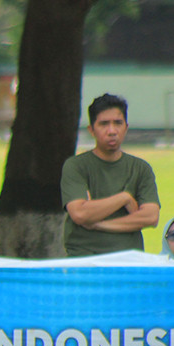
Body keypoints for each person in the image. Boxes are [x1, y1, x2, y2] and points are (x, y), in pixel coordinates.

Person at [61, 93, 161, 257]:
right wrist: (124, 198)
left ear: (126, 127)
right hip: (84, 257)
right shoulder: (76, 166)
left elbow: (150, 216)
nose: (112, 131)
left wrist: (98, 224)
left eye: (118, 123)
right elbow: (79, 214)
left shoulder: (141, 168)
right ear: (91, 130)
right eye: (104, 124)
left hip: (129, 257)